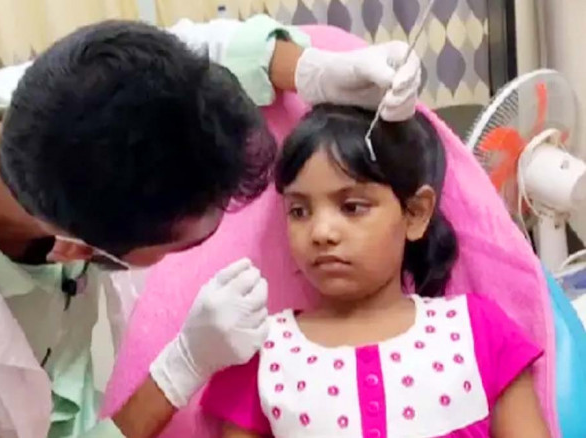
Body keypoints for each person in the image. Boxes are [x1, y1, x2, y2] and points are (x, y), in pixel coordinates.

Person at [0, 15, 422, 438]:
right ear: (77, 250)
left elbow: (192, 57)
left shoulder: (61, 95)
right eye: (299, 208)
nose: (320, 233)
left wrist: (313, 68)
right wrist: (180, 367)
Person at [201, 105, 551, 437]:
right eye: (299, 211)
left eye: (352, 207)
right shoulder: (261, 352)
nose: (321, 232)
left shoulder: (478, 332)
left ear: (415, 213)